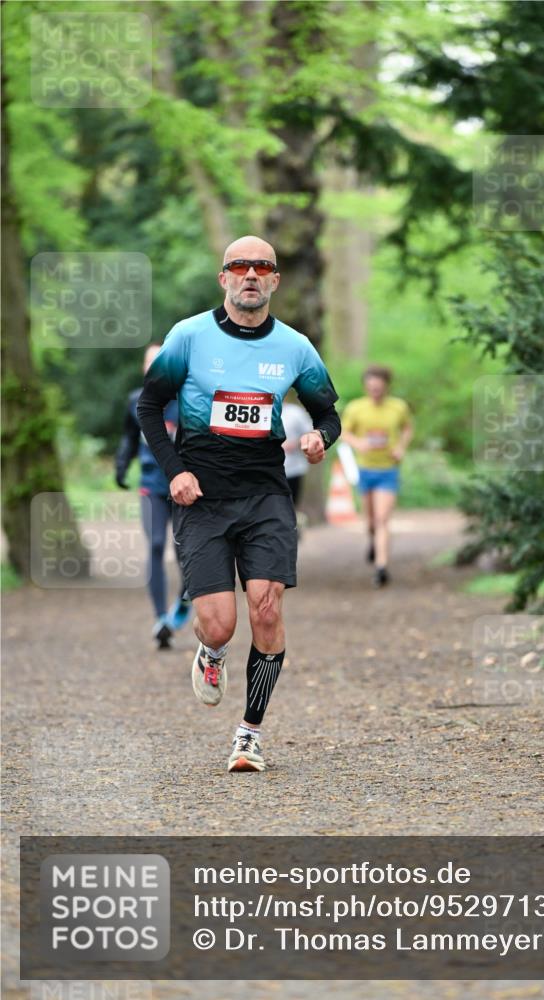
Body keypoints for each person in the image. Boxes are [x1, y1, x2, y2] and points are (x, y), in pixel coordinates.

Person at [137, 235, 340, 773]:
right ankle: (212, 652)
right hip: (201, 496)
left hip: (266, 494)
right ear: (224, 278)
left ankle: (249, 734)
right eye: (239, 266)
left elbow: (328, 413)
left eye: (262, 267)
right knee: (219, 623)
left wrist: (321, 437)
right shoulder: (189, 336)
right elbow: (150, 408)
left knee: (267, 611)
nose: (250, 275)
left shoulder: (296, 346)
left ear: (275, 280)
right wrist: (175, 471)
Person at [115, 344, 191, 649]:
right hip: (151, 487)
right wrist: (121, 465)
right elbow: (128, 439)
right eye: (149, 362)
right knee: (157, 545)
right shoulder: (136, 401)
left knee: (189, 552)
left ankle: (184, 602)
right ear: (143, 368)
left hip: (184, 488)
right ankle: (161, 619)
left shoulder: (185, 401)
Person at [341, 365, 412, 587]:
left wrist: (401, 447)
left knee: (382, 519)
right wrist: (358, 443)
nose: (375, 392)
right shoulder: (356, 408)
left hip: (388, 469)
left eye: (379, 388)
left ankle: (381, 567)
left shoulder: (398, 407)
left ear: (387, 387)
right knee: (371, 521)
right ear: (365, 387)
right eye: (371, 388)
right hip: (364, 469)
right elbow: (343, 432)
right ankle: (373, 540)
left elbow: (408, 428)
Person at [281, 391, 313, 515]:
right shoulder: (261, 411)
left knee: (291, 505)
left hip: (293, 469)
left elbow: (310, 433)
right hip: (268, 470)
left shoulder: (295, 412)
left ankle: (293, 531)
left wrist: (296, 443)